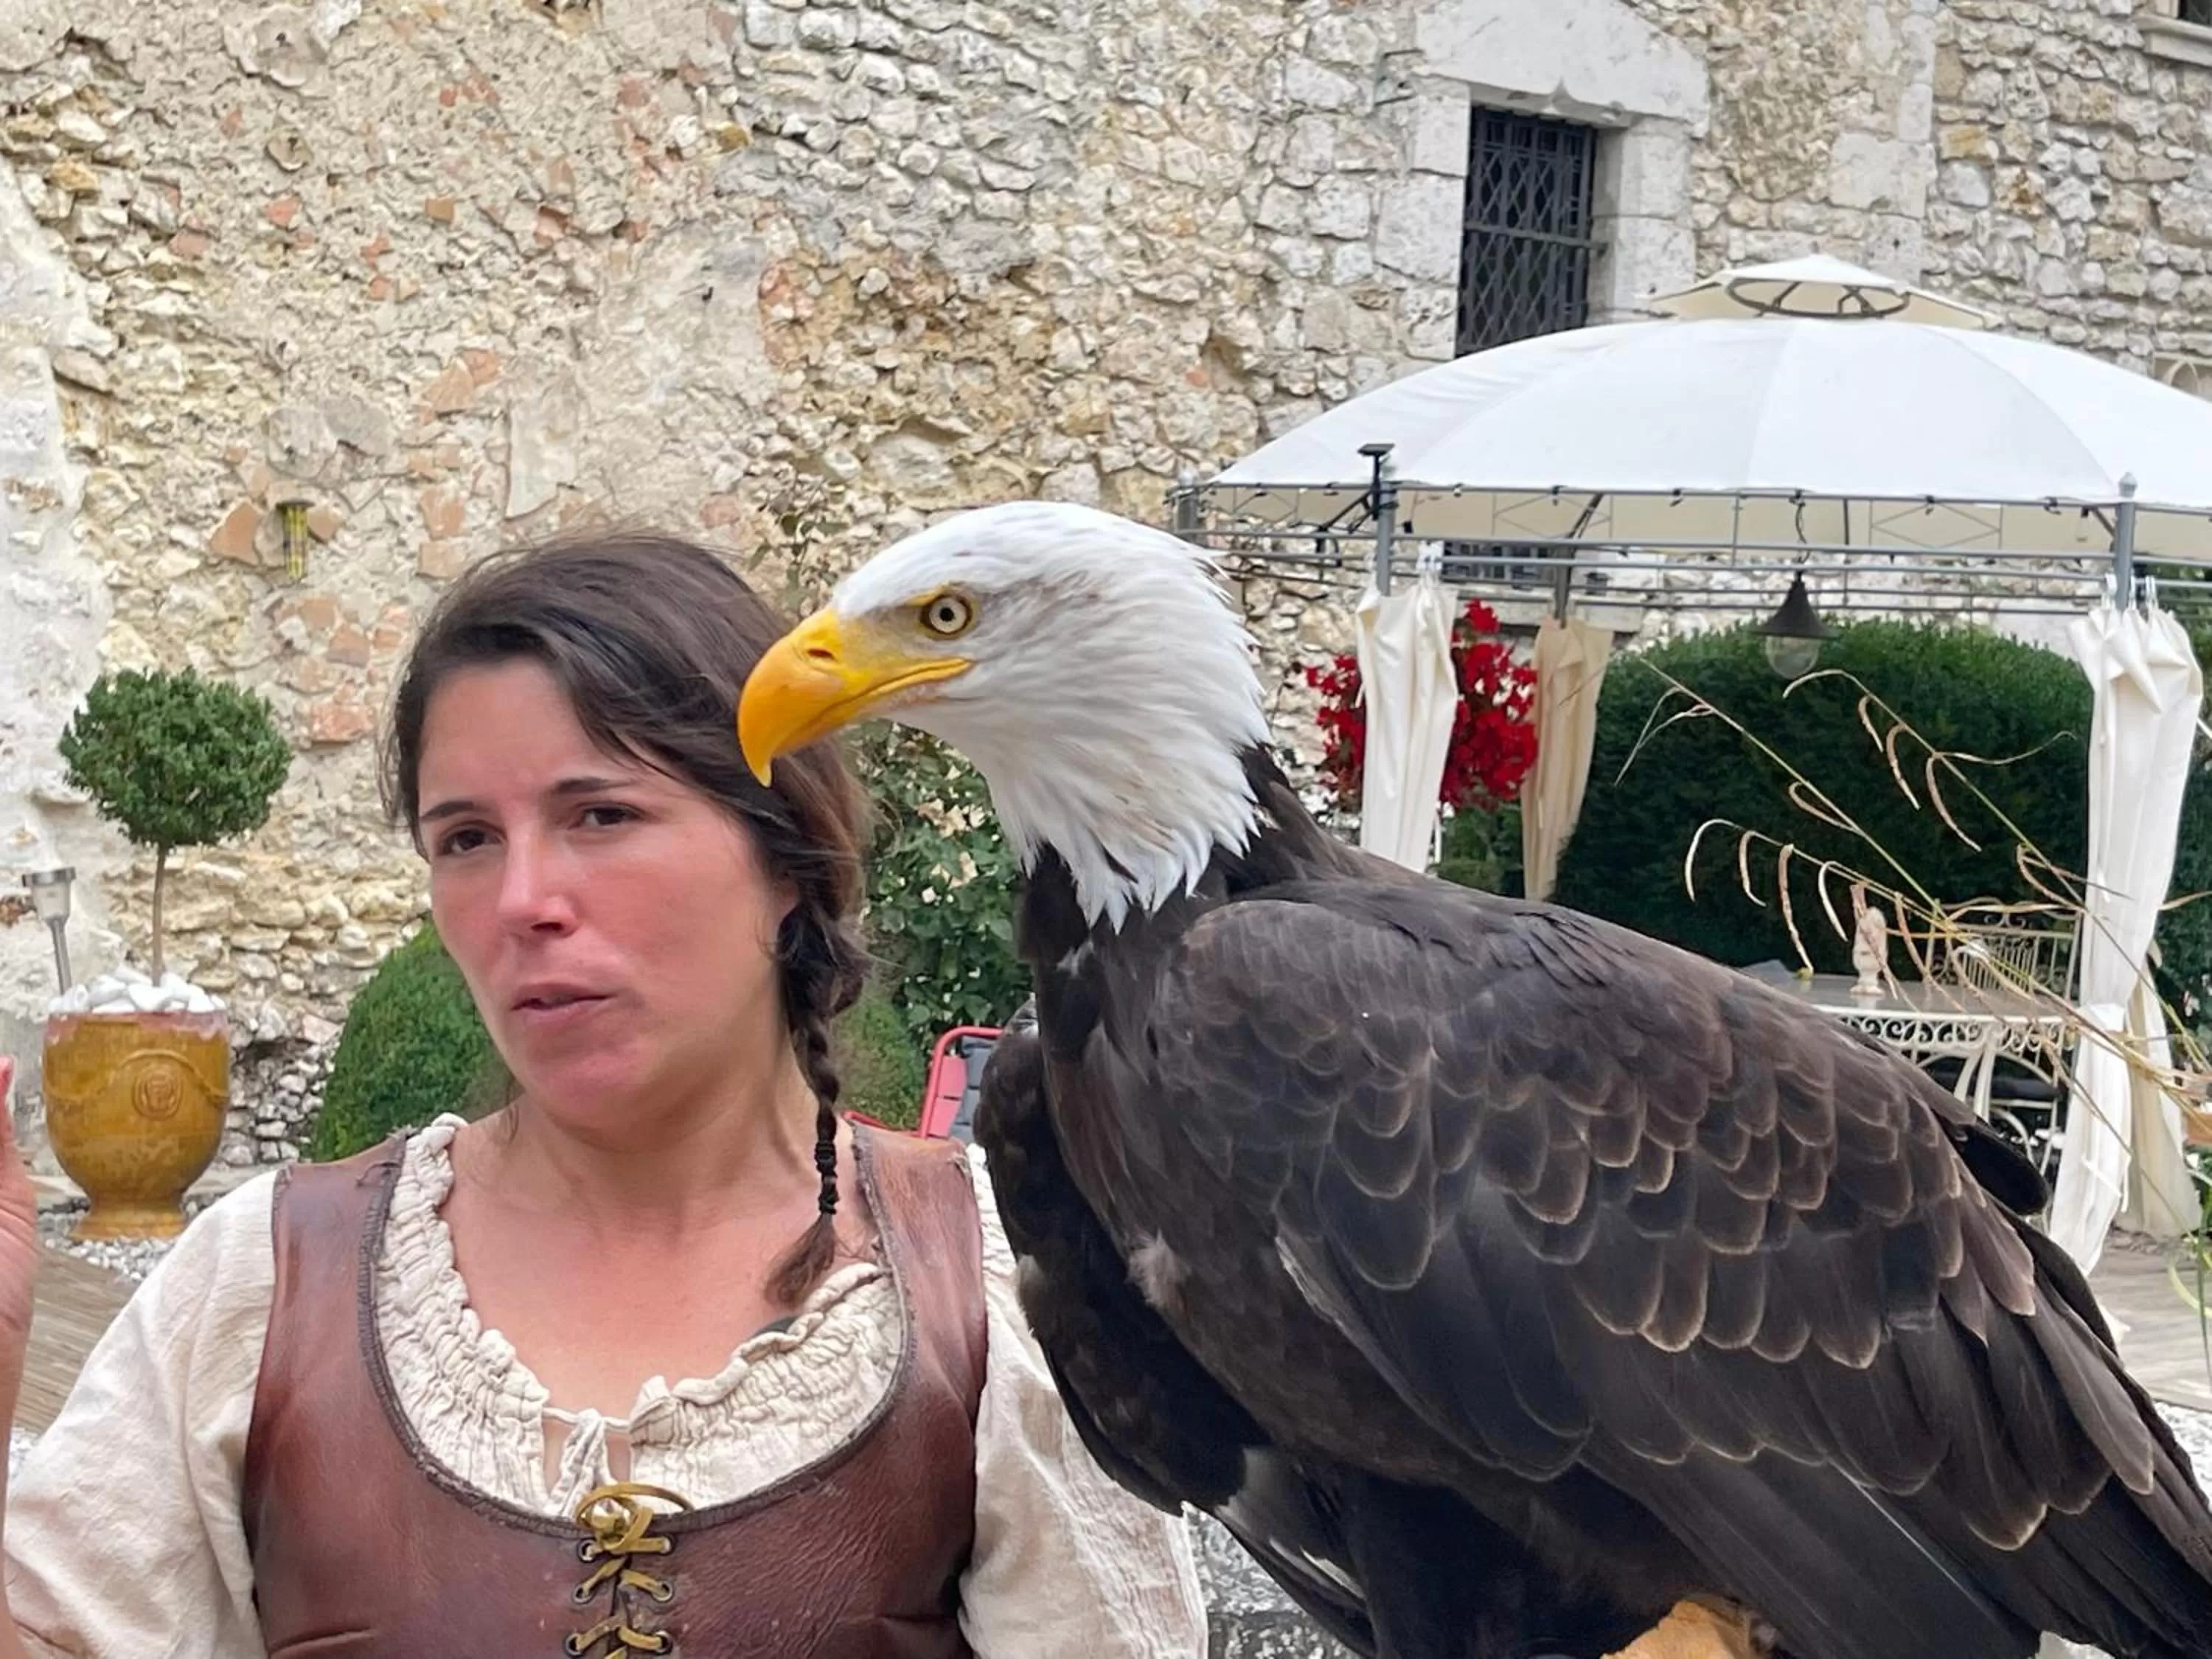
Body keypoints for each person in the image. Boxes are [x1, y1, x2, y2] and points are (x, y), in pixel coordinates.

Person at [0, 532, 1209, 1655]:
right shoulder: (264, 1282)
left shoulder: (1001, 1292)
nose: (525, 896)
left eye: (602, 813)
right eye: (465, 837)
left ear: (787, 860)